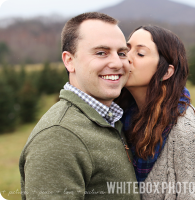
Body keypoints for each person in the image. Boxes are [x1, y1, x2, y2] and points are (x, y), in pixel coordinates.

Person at [19, 12, 140, 200]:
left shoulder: (111, 119)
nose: (117, 63)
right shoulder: (58, 136)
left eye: (122, 53)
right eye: (101, 53)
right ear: (69, 61)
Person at [115, 25, 195, 199]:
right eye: (125, 51)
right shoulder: (122, 118)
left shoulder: (186, 129)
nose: (126, 59)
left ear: (166, 72)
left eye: (140, 53)